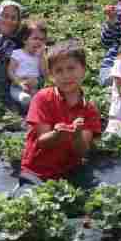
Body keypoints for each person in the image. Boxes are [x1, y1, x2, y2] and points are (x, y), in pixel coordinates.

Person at [20, 39, 102, 182]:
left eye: (71, 68)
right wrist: (57, 135)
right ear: (51, 75)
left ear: (83, 70)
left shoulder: (89, 109)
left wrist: (77, 135)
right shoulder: (43, 98)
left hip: (70, 171)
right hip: (36, 170)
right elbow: (42, 140)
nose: (66, 75)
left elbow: (82, 150)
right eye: (59, 70)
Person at [7, 20, 48, 113]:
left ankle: (32, 113)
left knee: (39, 99)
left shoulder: (40, 57)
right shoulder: (18, 54)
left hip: (35, 86)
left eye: (42, 39)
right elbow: (10, 71)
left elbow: (44, 74)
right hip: (18, 86)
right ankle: (22, 107)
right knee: (24, 98)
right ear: (25, 39)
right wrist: (19, 82)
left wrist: (42, 56)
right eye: (35, 38)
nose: (39, 42)